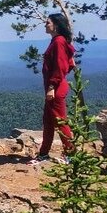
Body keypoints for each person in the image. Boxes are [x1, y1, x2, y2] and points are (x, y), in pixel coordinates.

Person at [30, 12, 75, 166]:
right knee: (48, 121)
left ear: (56, 25)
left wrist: (52, 86)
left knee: (60, 121)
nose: (45, 25)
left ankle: (71, 156)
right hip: (55, 87)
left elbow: (61, 66)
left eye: (47, 22)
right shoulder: (58, 41)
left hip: (55, 89)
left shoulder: (58, 42)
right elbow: (69, 64)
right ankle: (43, 153)